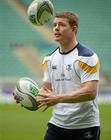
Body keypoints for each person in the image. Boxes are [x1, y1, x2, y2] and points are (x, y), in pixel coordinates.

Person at [14, 11, 100, 140]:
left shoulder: (87, 57)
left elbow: (90, 92)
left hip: (85, 126)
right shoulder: (48, 59)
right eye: (54, 25)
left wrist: (58, 98)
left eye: (61, 25)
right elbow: (46, 91)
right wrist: (28, 97)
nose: (56, 28)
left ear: (74, 29)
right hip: (57, 125)